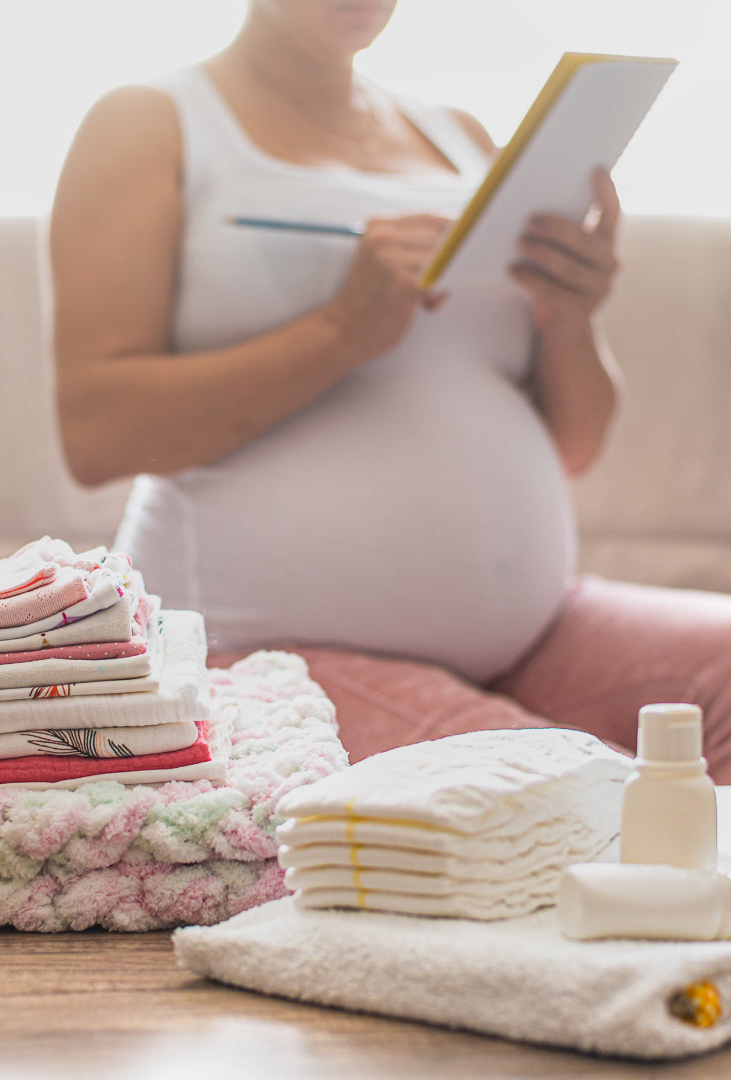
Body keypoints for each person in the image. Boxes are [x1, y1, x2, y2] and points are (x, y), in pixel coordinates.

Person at [48, 0, 731, 780]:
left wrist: (571, 320)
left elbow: (574, 448)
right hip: (272, 652)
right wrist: (342, 331)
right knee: (577, 795)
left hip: (533, 633)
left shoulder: (462, 140)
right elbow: (96, 437)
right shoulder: (149, 124)